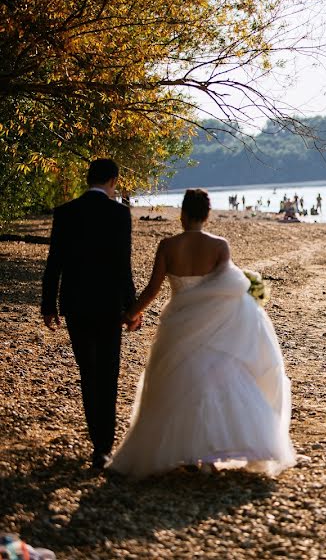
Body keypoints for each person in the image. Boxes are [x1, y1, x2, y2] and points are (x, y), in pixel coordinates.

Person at [108, 189, 295, 478]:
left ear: (183, 212)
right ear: (207, 215)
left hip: (179, 323)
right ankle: (210, 453)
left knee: (176, 386)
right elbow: (229, 289)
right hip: (214, 326)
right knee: (213, 386)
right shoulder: (220, 246)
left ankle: (182, 451)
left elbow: (153, 289)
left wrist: (131, 313)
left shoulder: (168, 245)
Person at [41, 158, 139, 470]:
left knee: (89, 372)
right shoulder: (119, 214)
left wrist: (49, 306)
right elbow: (124, 264)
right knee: (108, 374)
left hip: (76, 303)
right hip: (109, 304)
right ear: (114, 180)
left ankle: (97, 436)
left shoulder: (66, 212)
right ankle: (102, 447)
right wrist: (132, 307)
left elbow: (54, 262)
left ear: (88, 179)